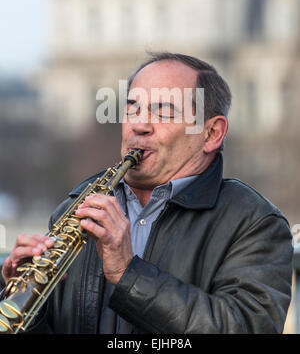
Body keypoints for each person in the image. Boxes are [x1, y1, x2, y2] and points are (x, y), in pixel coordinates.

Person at [0, 52, 293, 334]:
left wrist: (129, 275)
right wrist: (25, 304)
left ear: (211, 133)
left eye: (164, 112)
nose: (139, 126)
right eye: (132, 109)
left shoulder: (254, 222)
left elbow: (248, 326)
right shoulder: (76, 206)